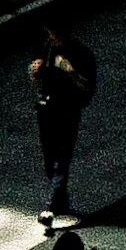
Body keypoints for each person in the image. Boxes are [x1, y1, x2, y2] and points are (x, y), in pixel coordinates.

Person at [26, 22, 98, 221]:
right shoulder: (45, 48)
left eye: (54, 33)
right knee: (49, 158)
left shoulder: (81, 54)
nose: (52, 38)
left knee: (62, 158)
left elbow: (87, 86)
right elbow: (33, 75)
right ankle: (60, 199)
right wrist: (35, 69)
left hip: (68, 109)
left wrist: (70, 70)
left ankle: (52, 206)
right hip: (46, 108)